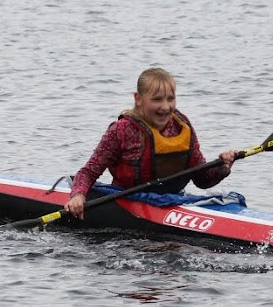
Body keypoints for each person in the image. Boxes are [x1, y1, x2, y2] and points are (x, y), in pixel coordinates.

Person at [65, 67, 239, 219]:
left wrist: (223, 168)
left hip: (171, 203)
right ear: (139, 99)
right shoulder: (121, 131)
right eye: (157, 99)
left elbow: (202, 180)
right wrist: (78, 195)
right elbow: (88, 173)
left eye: (170, 99)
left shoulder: (182, 127)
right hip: (126, 205)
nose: (165, 107)